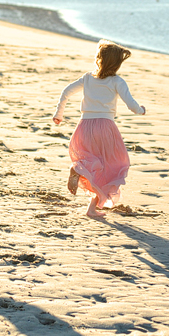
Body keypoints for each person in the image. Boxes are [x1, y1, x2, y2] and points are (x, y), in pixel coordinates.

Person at [53, 39, 147, 217]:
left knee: (95, 163)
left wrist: (59, 114)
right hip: (105, 127)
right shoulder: (117, 81)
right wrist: (141, 111)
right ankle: (80, 173)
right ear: (117, 64)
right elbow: (132, 105)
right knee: (113, 166)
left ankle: (91, 205)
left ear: (99, 59)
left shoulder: (88, 78)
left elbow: (66, 91)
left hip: (84, 127)